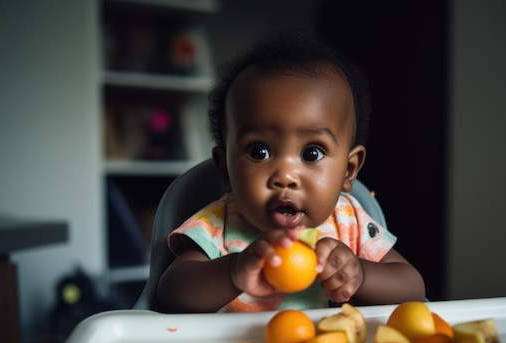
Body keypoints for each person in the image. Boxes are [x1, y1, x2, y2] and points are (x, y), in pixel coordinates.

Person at [157, 33, 425, 313]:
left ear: (349, 170)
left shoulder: (350, 221)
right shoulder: (218, 223)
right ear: (225, 168)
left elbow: (413, 287)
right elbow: (172, 291)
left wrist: (361, 274)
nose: (285, 176)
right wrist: (234, 271)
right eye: (259, 151)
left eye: (312, 153)